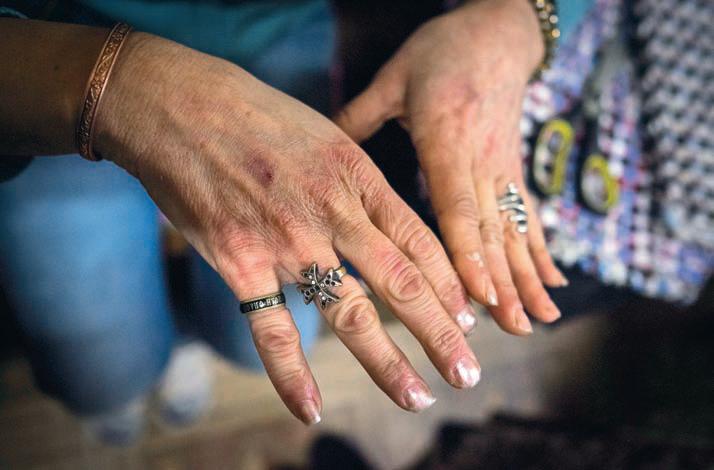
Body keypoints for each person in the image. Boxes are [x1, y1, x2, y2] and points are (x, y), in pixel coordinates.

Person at [0, 0, 569, 437]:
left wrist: (516, 17)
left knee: (257, 344)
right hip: (51, 42)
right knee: (98, 376)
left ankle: (184, 341)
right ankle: (129, 381)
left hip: (274, 31)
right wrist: (121, 84)